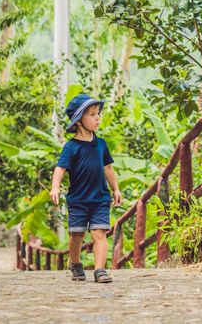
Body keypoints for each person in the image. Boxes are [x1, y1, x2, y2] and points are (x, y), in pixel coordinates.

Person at [50, 93, 122, 283]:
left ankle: (100, 270)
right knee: (77, 235)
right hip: (78, 201)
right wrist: (55, 187)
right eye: (92, 114)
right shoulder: (71, 147)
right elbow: (60, 168)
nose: (97, 117)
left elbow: (108, 167)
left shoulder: (101, 144)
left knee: (99, 233)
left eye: (98, 113)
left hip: (100, 199)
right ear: (79, 120)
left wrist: (115, 189)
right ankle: (75, 263)